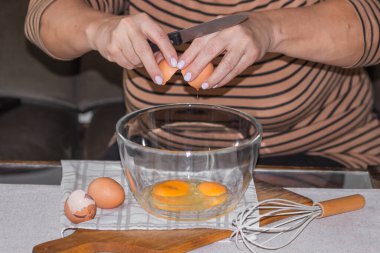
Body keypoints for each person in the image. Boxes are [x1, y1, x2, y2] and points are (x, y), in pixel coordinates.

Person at [25, 0, 380, 168]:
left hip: (314, 152)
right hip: (156, 151)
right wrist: (99, 29)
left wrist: (269, 29)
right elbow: (43, 17)